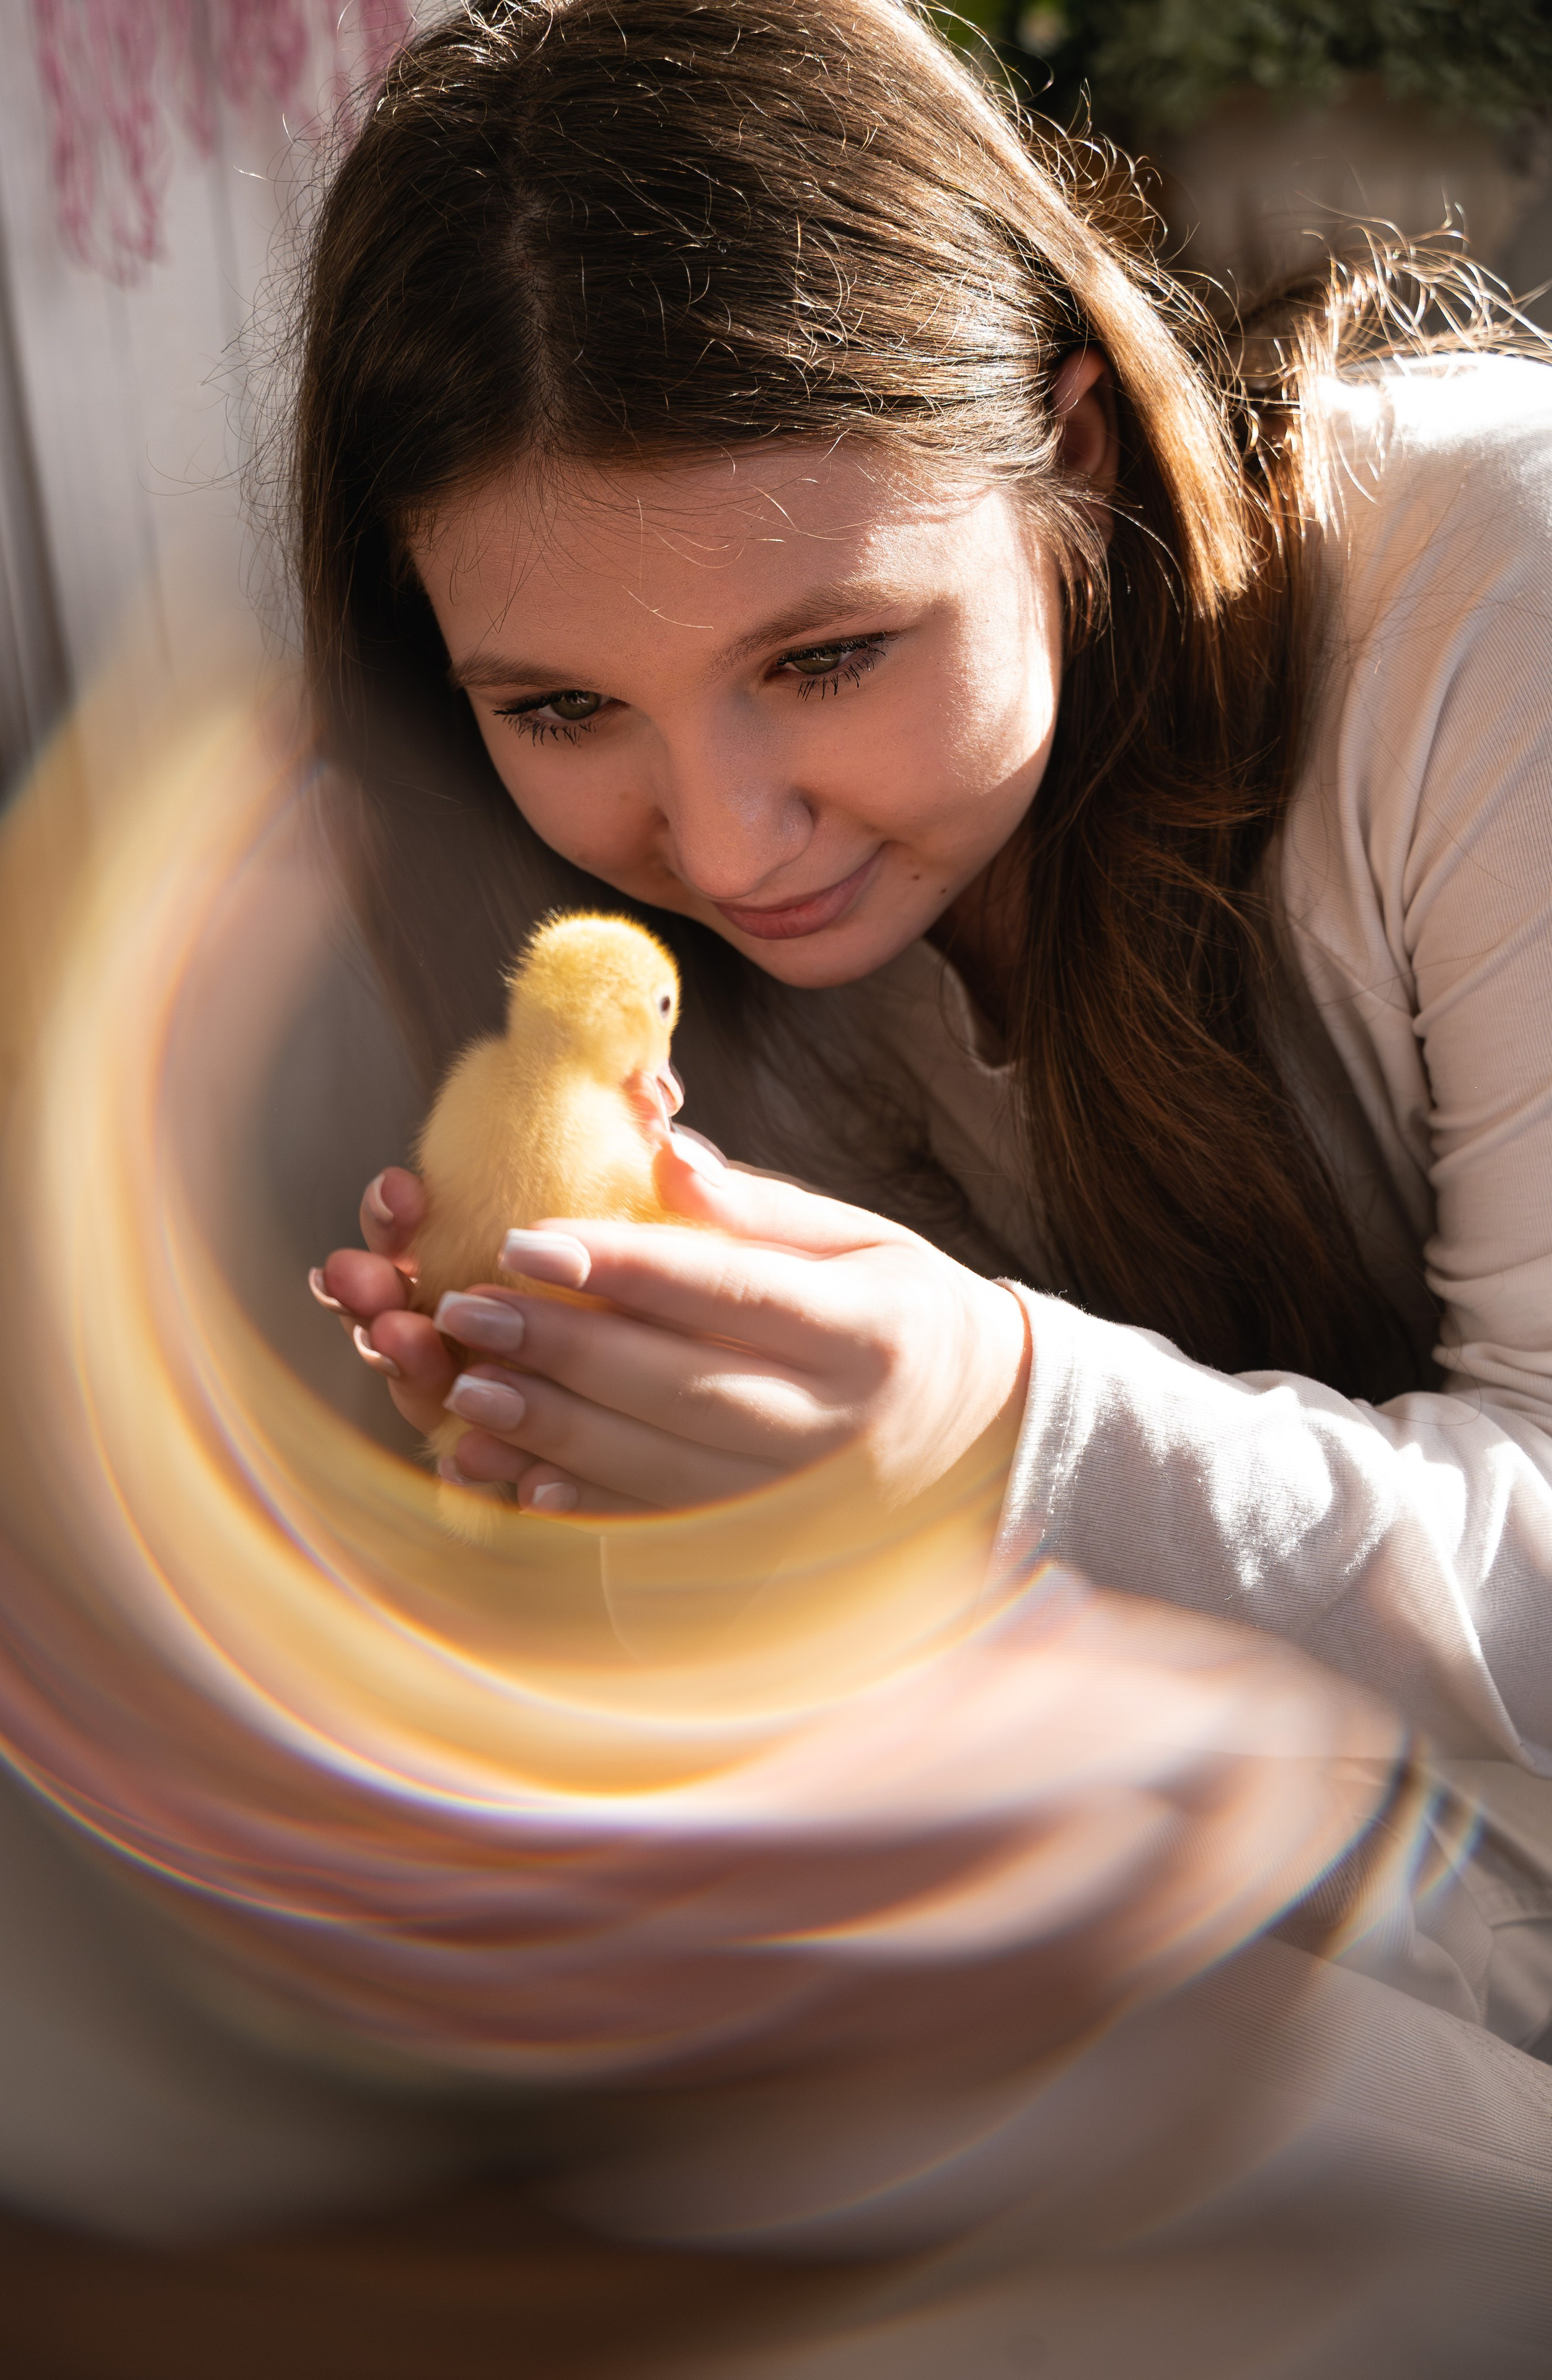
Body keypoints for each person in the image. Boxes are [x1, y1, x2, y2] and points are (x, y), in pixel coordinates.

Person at [311, 2, 1552, 1802]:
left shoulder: (1487, 596)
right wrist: (647, 1487)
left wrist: (1002, 1428)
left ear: (1075, 453)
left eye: (826, 658)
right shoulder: (591, 980)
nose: (727, 853)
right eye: (564, 708)